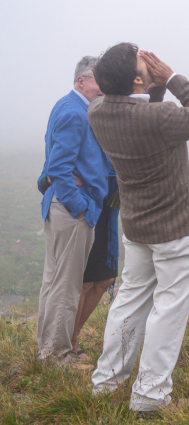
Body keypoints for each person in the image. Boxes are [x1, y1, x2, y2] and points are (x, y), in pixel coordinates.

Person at [88, 43, 189, 412]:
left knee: (129, 302)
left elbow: (141, 107)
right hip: (175, 230)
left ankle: (107, 380)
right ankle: (149, 396)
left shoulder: (98, 110)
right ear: (136, 81)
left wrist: (149, 81)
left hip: (136, 227)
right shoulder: (160, 118)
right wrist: (173, 77)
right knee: (168, 310)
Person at [36, 56, 110, 366]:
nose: (101, 87)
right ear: (81, 81)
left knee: (55, 282)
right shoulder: (74, 112)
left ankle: (48, 351)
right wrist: (80, 207)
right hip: (71, 210)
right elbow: (58, 167)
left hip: (66, 207)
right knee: (65, 285)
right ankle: (58, 357)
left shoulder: (71, 106)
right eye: (97, 81)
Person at [37, 167, 118, 361]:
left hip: (105, 210)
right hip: (84, 208)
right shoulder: (81, 138)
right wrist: (53, 178)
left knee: (105, 278)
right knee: (82, 283)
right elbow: (44, 180)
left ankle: (70, 336)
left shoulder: (115, 140)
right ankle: (69, 342)